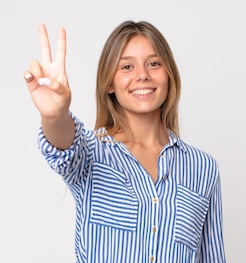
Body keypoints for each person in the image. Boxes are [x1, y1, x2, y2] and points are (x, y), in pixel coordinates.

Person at [23, 20, 226, 263]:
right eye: (127, 66)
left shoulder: (203, 168)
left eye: (153, 63)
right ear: (109, 82)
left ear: (169, 74)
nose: (142, 75)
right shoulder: (91, 154)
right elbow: (62, 146)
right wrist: (54, 115)